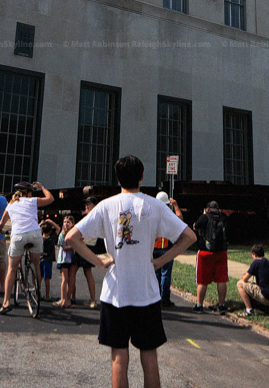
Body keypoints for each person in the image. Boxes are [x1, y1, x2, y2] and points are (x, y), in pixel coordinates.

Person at [66, 154, 196, 388]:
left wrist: (98, 261)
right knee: (149, 355)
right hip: (146, 293)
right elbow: (189, 237)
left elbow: (71, 237)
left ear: (118, 178)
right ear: (142, 177)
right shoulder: (155, 205)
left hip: (116, 293)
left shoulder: (106, 206)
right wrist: (161, 260)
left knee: (119, 356)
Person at [0, 180, 54, 314]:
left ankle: (6, 303)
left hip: (18, 236)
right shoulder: (32, 201)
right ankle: (37, 292)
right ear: (28, 193)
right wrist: (42, 187)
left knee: (11, 268)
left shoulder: (10, 205)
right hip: (35, 234)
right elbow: (50, 198)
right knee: (36, 264)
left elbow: (1, 224)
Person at [193, 200, 228, 312]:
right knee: (221, 280)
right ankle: (222, 305)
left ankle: (199, 305)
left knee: (202, 281)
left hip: (205, 252)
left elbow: (195, 226)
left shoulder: (205, 217)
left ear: (207, 209)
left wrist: (203, 215)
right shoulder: (223, 217)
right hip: (221, 252)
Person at [70, 195, 102, 308]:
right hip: (89, 245)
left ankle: (68, 298)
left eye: (88, 204)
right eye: (86, 204)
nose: (86, 206)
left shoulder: (92, 217)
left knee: (73, 271)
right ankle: (92, 299)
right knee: (86, 272)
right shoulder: (94, 217)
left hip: (85, 246)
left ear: (94, 205)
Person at [153, 191, 184, 307]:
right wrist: (176, 206)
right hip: (166, 248)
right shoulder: (168, 215)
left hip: (154, 248)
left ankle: (156, 299)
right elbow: (180, 219)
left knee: (156, 275)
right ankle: (164, 299)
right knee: (165, 274)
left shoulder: (153, 214)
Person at [236, 244, 269, 316]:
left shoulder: (256, 262)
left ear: (254, 254)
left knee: (240, 284)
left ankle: (249, 310)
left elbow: (244, 279)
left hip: (266, 298)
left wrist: (244, 275)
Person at [56, 214, 77, 307]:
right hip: (64, 259)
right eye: (65, 222)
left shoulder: (73, 233)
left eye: (68, 222)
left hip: (71, 258)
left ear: (72, 224)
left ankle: (69, 298)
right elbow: (64, 247)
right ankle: (63, 298)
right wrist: (73, 246)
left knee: (70, 279)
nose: (66, 224)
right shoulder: (62, 234)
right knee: (65, 279)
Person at [40, 214, 59, 301]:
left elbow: (34, 229)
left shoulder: (39, 238)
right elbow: (58, 229)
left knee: (38, 278)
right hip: (48, 260)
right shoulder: (52, 238)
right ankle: (47, 296)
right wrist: (51, 221)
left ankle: (38, 294)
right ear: (51, 231)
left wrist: (41, 223)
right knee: (47, 279)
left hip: (40, 259)